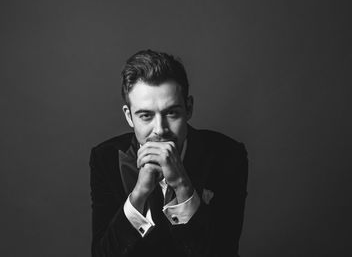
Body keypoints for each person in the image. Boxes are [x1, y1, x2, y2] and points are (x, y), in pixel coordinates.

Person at [89, 49, 248, 257]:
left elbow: (224, 251)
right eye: (145, 115)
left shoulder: (228, 156)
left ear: (188, 108)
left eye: (171, 113)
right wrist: (139, 194)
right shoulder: (105, 159)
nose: (160, 129)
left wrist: (182, 186)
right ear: (129, 117)